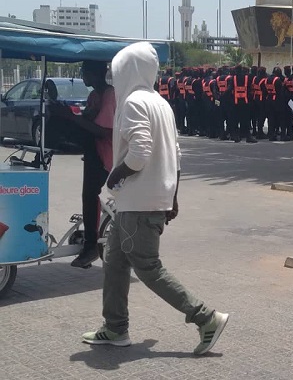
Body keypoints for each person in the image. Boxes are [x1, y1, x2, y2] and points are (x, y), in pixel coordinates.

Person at [82, 42, 229, 354]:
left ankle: (206, 318)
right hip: (144, 200)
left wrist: (115, 175)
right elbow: (175, 155)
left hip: (137, 201)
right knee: (114, 261)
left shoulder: (134, 102)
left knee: (149, 268)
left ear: (128, 69)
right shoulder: (160, 103)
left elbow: (140, 152)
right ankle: (115, 327)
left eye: (116, 69)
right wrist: (172, 197)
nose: (113, 75)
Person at [50, 61, 115, 268]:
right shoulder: (95, 96)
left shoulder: (110, 95)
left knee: (90, 195)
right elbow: (87, 120)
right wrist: (69, 116)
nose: (82, 76)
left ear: (94, 73)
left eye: (84, 72)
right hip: (93, 150)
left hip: (107, 154)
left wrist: (72, 117)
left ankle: (90, 247)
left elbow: (104, 131)